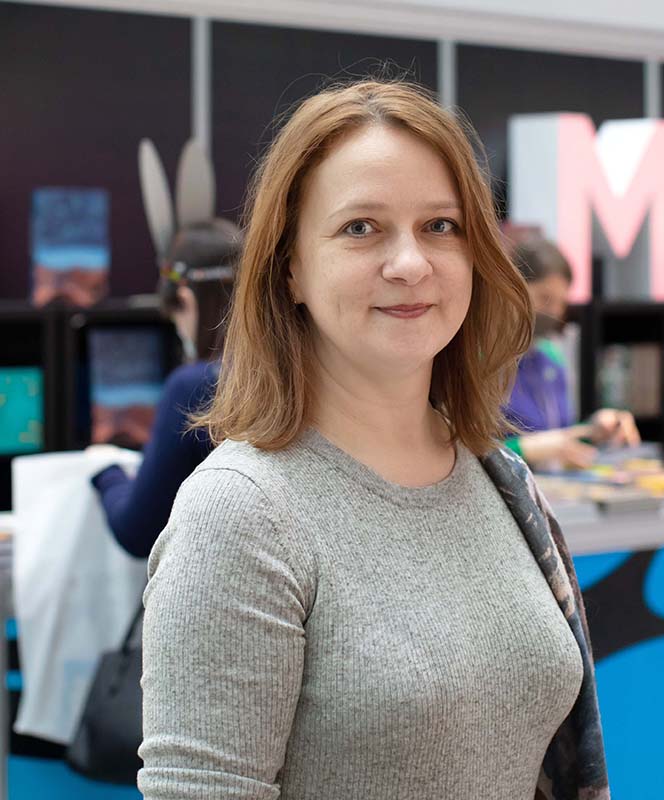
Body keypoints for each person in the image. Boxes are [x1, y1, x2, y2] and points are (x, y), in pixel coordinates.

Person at [139, 79, 609, 800]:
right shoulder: (242, 515)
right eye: (361, 228)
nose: (411, 263)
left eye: (440, 226)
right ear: (290, 269)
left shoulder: (500, 480)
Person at [90, 219, 239, 558]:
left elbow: (136, 532)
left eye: (176, 318)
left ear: (185, 300)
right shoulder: (299, 374)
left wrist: (105, 472)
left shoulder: (194, 387)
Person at [503, 235, 640, 469]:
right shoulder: (478, 361)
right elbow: (464, 454)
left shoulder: (551, 358)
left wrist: (594, 430)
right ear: (510, 287)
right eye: (545, 298)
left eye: (561, 302)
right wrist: (525, 448)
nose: (555, 312)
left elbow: (559, 438)